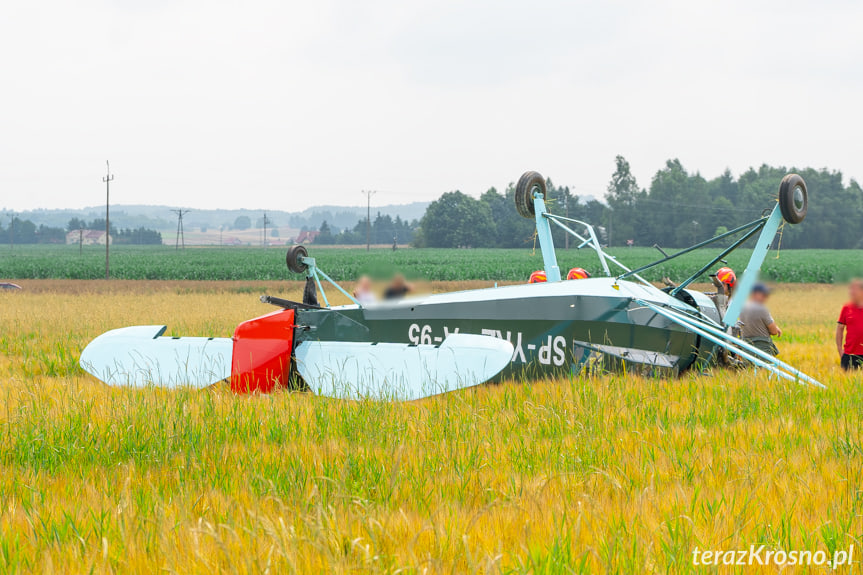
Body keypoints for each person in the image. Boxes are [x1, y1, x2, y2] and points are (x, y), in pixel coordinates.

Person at [739, 283, 781, 356]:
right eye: (763, 295)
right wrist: (775, 328)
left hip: (746, 350)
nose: (766, 298)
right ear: (755, 294)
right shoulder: (762, 309)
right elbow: (774, 331)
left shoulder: (742, 307)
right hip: (762, 349)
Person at [836, 279, 863, 371]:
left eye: (854, 290)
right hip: (849, 355)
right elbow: (840, 328)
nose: (851, 292)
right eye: (850, 290)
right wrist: (840, 350)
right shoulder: (846, 308)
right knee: (847, 384)